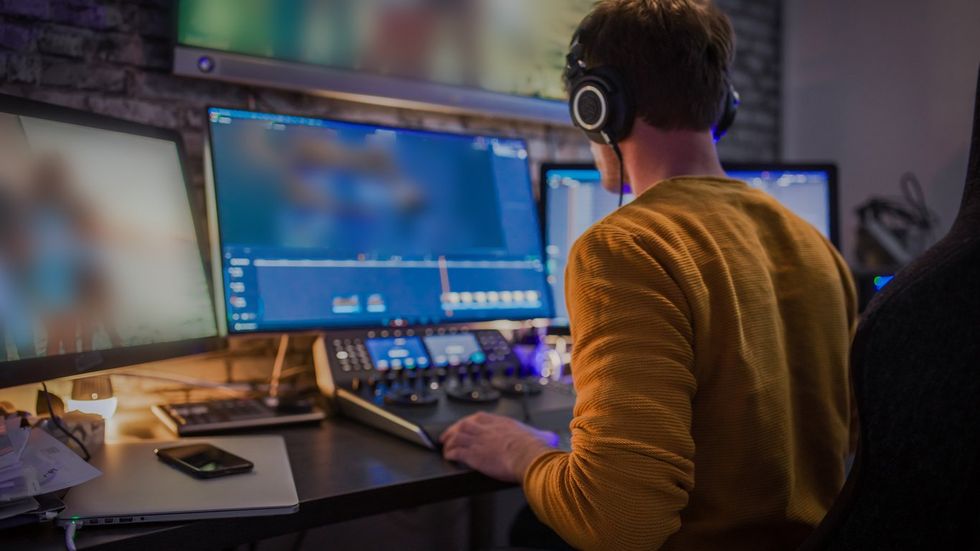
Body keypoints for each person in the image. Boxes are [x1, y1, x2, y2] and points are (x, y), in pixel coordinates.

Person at [439, 1, 856, 549]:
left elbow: (618, 520)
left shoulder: (624, 247)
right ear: (723, 106)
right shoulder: (815, 246)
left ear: (597, 106)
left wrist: (522, 451)